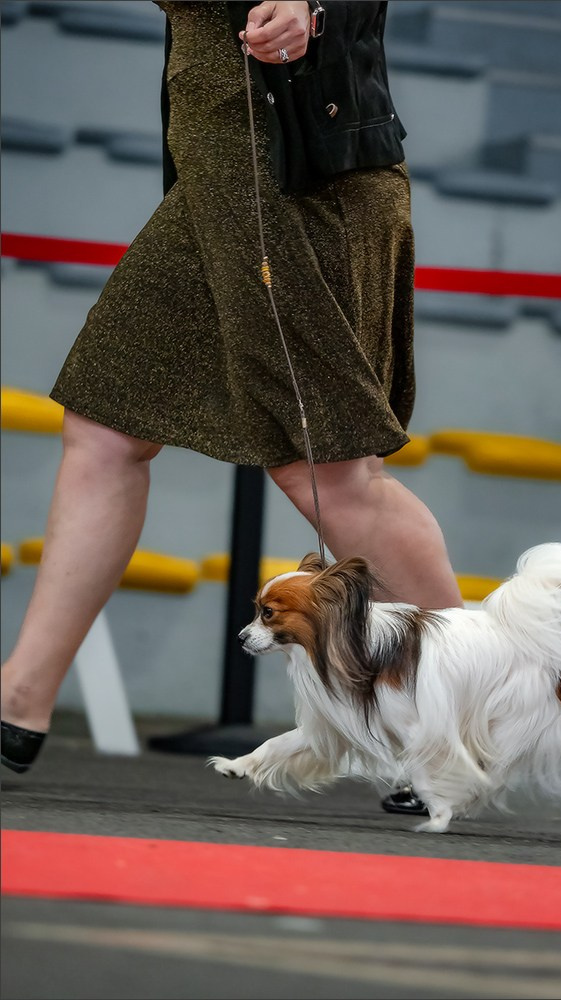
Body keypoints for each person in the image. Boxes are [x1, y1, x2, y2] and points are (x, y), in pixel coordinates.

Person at [1, 1, 463, 814]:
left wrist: (315, 8)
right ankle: (18, 698)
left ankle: (462, 712)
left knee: (330, 473)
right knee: (106, 426)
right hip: (213, 184)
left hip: (296, 181)